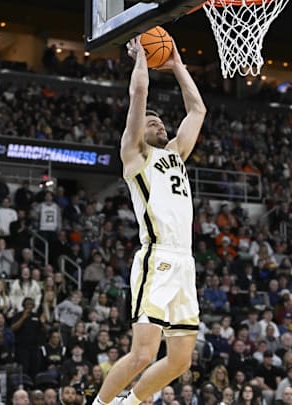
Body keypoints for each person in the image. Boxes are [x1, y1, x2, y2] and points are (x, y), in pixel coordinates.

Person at [92, 32, 206, 405]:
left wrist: (175, 65)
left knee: (180, 360)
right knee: (143, 353)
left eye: (160, 122)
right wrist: (142, 58)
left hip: (184, 262)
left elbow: (197, 111)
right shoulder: (135, 157)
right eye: (152, 122)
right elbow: (138, 95)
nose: (158, 124)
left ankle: (132, 402)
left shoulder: (176, 153)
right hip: (156, 258)